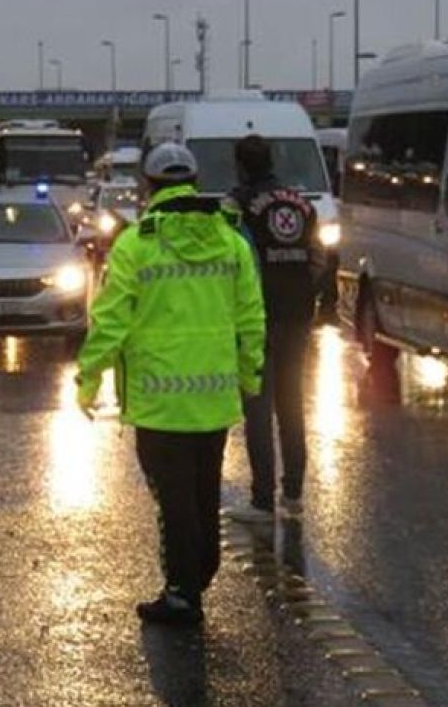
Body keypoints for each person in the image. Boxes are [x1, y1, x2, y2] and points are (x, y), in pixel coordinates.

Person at [76, 142, 266, 626]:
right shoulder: (231, 241)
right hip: (215, 397)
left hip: (159, 401)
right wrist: (250, 375)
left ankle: (183, 591)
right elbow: (251, 317)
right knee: (203, 490)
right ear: (194, 182)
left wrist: (89, 378)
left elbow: (110, 320)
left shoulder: (137, 244)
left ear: (149, 186)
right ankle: (200, 570)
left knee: (172, 496)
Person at [225, 134, 323, 523]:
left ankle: (262, 500)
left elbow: (232, 257)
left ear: (241, 165)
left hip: (257, 314)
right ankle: (294, 494)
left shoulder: (238, 204)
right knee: (292, 404)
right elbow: (319, 256)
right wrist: (306, 293)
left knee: (259, 407)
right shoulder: (301, 204)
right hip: (297, 313)